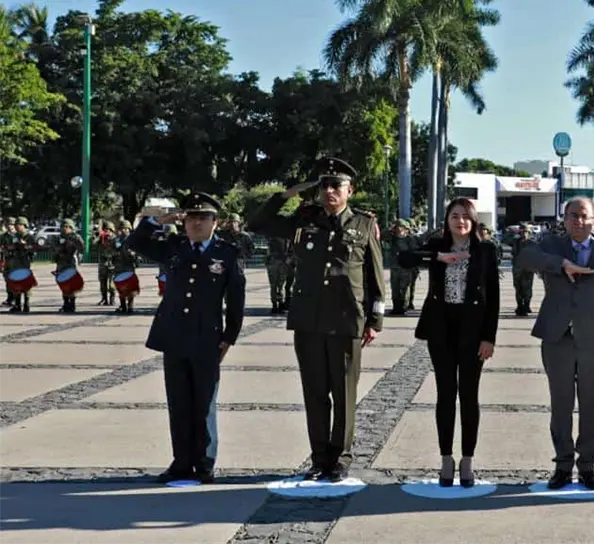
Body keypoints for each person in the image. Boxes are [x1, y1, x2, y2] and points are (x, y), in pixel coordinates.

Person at [247, 157, 386, 482]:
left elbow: (375, 277)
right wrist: (287, 194)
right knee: (315, 391)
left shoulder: (364, 225)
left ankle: (341, 458)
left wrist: (374, 321)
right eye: (323, 185)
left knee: (344, 392)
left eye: (335, 185)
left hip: (346, 318)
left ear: (349, 190)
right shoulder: (303, 221)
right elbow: (257, 223)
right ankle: (320, 458)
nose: (328, 191)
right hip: (308, 318)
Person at [126, 192, 246, 484]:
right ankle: (181, 462)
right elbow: (135, 241)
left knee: (204, 402)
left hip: (207, 337)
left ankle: (204, 463)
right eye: (191, 217)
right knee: (178, 402)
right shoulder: (173, 246)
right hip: (174, 335)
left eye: (203, 218)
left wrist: (230, 336)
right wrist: (158, 220)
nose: (196, 223)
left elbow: (236, 298)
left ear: (214, 222)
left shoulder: (226, 253)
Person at [518, 197, 594, 490]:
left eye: (584, 216)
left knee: (591, 404)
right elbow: (524, 258)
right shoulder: (551, 245)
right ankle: (563, 465)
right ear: (564, 219)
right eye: (572, 216)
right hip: (557, 339)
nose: (578, 221)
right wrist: (559, 264)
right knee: (560, 404)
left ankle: (587, 466)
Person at [398, 198, 500, 488]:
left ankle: (467, 459)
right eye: (454, 216)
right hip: (441, 329)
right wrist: (437, 258)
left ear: (474, 221)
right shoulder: (435, 244)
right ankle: (446, 458)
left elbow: (493, 297)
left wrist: (489, 337)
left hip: (473, 329)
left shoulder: (486, 250)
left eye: (466, 217)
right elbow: (403, 258)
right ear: (447, 220)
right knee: (445, 394)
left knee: (469, 395)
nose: (460, 222)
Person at [2, 217, 36, 313]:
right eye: (15, 225)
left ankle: (26, 304)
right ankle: (17, 304)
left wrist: (25, 245)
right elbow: (7, 246)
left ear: (23, 225)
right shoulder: (14, 236)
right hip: (14, 263)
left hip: (24, 263)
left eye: (18, 225)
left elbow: (34, 248)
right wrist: (9, 248)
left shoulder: (29, 236)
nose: (16, 227)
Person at [52, 219, 85, 313]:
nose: (65, 229)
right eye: (63, 227)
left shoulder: (75, 237)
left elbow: (82, 247)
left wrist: (73, 246)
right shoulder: (59, 238)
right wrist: (59, 248)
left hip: (70, 263)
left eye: (67, 227)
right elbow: (53, 248)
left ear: (71, 228)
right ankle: (66, 304)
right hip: (61, 264)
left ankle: (72, 304)